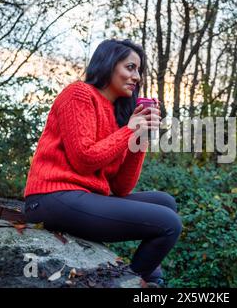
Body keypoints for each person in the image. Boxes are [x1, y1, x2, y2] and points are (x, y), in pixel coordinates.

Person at [23, 39, 182, 288]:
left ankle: (149, 281)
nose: (137, 77)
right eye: (130, 67)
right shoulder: (79, 94)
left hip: (84, 196)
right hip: (51, 197)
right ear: (108, 64)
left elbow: (121, 187)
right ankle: (128, 283)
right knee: (169, 224)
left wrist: (140, 136)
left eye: (138, 70)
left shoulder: (115, 113)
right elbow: (84, 159)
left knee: (166, 203)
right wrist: (129, 130)